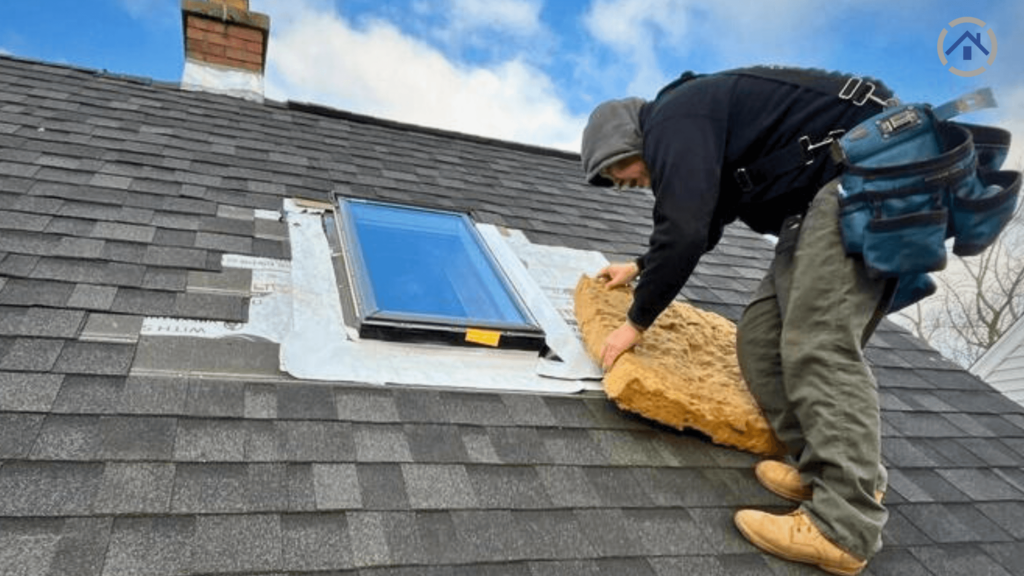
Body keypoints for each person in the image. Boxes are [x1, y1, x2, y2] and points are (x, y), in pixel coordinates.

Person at [581, 66, 896, 576]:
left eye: (622, 172)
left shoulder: (672, 117)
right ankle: (827, 470)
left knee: (819, 341)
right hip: (824, 197)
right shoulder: (698, 125)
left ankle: (844, 526)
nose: (628, 184)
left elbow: (682, 230)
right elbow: (702, 221)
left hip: (870, 172)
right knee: (760, 341)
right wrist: (640, 266)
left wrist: (635, 322)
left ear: (628, 138)